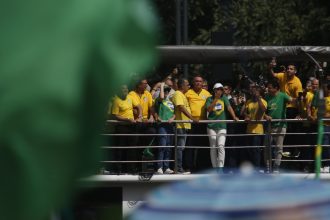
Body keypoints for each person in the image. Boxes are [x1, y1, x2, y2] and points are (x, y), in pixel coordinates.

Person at [206, 83, 239, 173]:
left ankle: (220, 168)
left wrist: (234, 117)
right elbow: (208, 109)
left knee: (221, 146)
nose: (219, 91)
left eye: (221, 89)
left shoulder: (224, 98)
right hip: (211, 126)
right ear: (214, 90)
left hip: (222, 126)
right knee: (213, 147)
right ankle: (215, 168)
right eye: (218, 89)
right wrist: (216, 99)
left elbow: (229, 108)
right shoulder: (209, 98)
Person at [111, 85, 141, 174]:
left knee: (132, 148)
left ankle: (131, 169)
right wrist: (127, 119)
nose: (125, 90)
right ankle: (119, 169)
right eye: (123, 89)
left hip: (132, 126)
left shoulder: (130, 97)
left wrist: (139, 116)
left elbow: (139, 106)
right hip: (122, 126)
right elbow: (115, 115)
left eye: (126, 89)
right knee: (121, 148)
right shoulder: (116, 100)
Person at [264, 80, 293, 172]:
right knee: (266, 147)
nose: (268, 89)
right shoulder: (266, 97)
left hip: (281, 125)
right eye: (268, 87)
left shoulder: (282, 95)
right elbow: (262, 111)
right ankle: (268, 167)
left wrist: (300, 99)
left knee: (279, 148)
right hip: (269, 126)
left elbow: (292, 101)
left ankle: (276, 167)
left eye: (270, 87)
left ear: (276, 88)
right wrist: (265, 116)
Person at [128, 78, 157, 172]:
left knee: (152, 132)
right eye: (144, 84)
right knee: (134, 144)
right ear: (138, 85)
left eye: (147, 83)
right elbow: (133, 108)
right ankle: (133, 168)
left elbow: (151, 107)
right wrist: (138, 116)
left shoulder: (147, 93)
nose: (146, 85)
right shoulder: (131, 94)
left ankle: (142, 163)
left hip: (145, 122)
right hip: (135, 123)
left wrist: (152, 117)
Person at [185, 75, 211, 172]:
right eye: (196, 81)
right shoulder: (188, 93)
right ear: (193, 82)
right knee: (190, 146)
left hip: (204, 122)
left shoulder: (207, 94)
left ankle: (202, 167)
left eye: (200, 81)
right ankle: (189, 166)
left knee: (203, 146)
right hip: (191, 122)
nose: (198, 83)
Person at [172, 78, 198, 174]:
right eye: (187, 84)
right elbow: (181, 107)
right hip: (180, 125)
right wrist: (192, 118)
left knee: (181, 148)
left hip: (185, 125)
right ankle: (178, 168)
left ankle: (179, 167)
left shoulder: (182, 95)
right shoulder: (178, 94)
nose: (189, 86)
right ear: (182, 85)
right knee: (180, 147)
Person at [242, 84, 267, 169]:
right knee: (249, 150)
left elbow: (263, 110)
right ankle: (252, 167)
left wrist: (258, 99)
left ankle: (257, 168)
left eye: (256, 91)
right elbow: (243, 112)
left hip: (258, 130)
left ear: (259, 93)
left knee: (256, 150)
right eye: (253, 91)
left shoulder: (263, 101)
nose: (254, 92)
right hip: (249, 130)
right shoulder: (249, 101)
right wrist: (246, 115)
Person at [154, 83, 175, 174]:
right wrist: (162, 86)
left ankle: (166, 167)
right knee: (162, 146)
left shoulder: (171, 102)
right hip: (162, 125)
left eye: (167, 91)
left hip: (170, 126)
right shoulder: (159, 100)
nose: (166, 92)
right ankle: (159, 167)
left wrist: (172, 118)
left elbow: (175, 113)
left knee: (169, 147)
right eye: (165, 91)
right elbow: (162, 97)